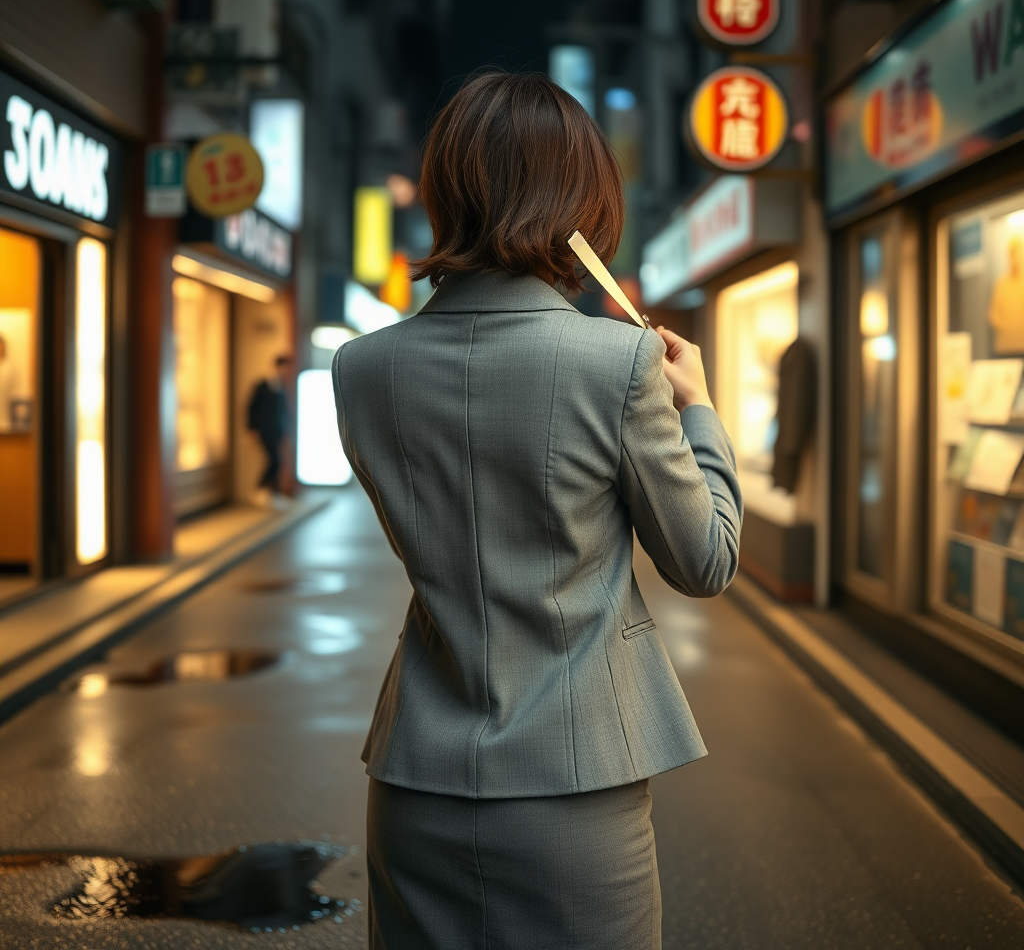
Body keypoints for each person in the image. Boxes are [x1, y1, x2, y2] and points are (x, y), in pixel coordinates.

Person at [332, 72, 742, 950]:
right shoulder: (621, 364)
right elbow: (704, 560)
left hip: (416, 782)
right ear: (579, 202)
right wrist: (697, 408)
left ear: (449, 192)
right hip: (577, 787)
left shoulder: (361, 370)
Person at [247, 354, 291, 506]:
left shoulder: (281, 386)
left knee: (277, 461)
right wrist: (252, 428)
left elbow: (283, 410)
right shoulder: (263, 384)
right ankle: (259, 490)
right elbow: (251, 408)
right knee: (275, 460)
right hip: (264, 430)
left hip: (277, 429)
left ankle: (274, 493)